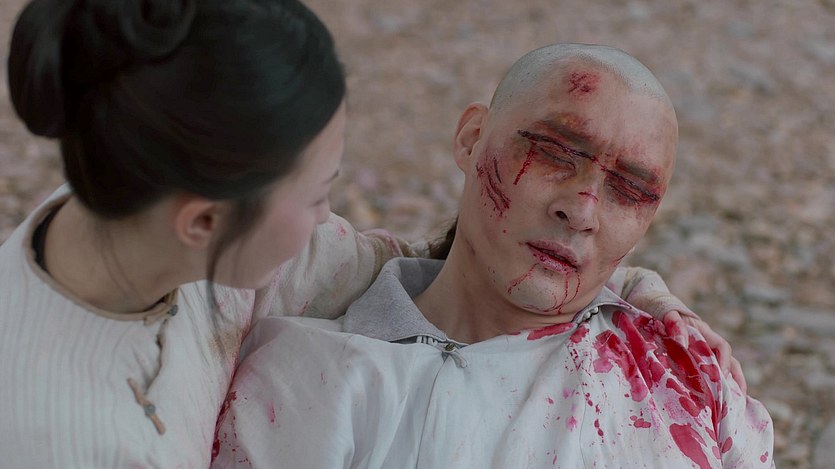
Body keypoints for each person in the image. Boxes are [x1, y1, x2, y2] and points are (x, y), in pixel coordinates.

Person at [0, 0, 738, 466]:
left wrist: (630, 289)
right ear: (203, 222)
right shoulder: (65, 436)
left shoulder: (131, 186)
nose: (585, 208)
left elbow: (392, 265)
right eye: (320, 195)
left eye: (631, 191)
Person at [212, 43, 774, 468]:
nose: (582, 210)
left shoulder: (689, 385)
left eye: (630, 190)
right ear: (471, 138)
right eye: (554, 152)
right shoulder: (309, 380)